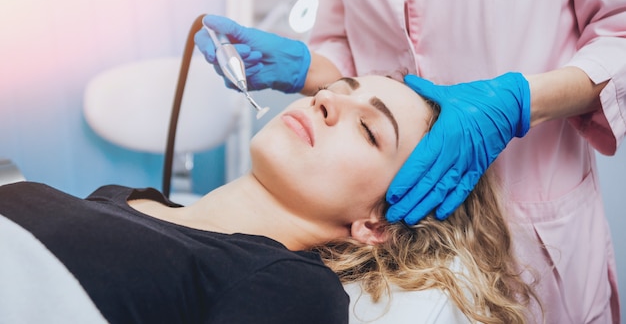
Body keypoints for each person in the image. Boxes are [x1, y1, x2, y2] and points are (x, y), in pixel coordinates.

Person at [196, 0, 625, 322]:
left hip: (535, 214)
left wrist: (520, 101)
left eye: (368, 129)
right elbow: (344, 43)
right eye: (333, 96)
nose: (324, 101)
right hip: (388, 234)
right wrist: (310, 67)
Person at [2, 75, 514, 323]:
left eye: (368, 128)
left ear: (376, 224)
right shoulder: (124, 198)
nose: (327, 100)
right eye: (340, 87)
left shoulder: (289, 289)